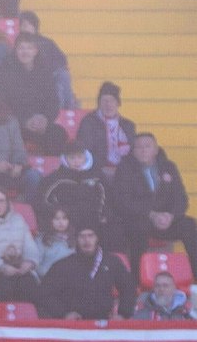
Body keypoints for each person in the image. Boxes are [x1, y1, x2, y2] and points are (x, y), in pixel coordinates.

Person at [110, 133, 197, 285]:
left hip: (166, 220)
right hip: (139, 219)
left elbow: (181, 198)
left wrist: (171, 216)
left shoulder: (168, 167)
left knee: (189, 225)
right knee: (136, 230)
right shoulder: (124, 168)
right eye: (139, 147)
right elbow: (123, 201)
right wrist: (151, 214)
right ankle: (137, 282)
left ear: (156, 149)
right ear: (133, 150)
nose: (143, 150)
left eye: (147, 146)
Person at [38, 224, 130, 320]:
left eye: (91, 236)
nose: (87, 240)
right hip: (75, 326)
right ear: (76, 239)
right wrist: (63, 313)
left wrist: (123, 314)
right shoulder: (63, 265)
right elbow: (44, 293)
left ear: (97, 238)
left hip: (105, 324)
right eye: (82, 236)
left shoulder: (112, 262)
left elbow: (128, 288)